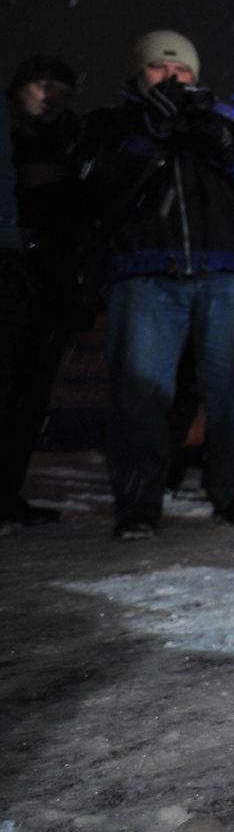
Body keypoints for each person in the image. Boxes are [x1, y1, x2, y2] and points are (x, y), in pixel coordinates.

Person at [78, 30, 234, 538]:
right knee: (140, 394)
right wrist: (149, 131)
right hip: (147, 271)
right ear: (138, 74)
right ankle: (137, 506)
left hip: (227, 273)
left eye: (182, 71)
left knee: (231, 391)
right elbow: (96, 185)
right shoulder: (112, 125)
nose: (172, 78)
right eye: (159, 69)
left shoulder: (225, 125)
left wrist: (223, 145)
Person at [1, 56, 85, 529]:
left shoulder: (72, 140)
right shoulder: (12, 137)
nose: (51, 95)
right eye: (42, 85)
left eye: (63, 88)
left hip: (51, 283)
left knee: (31, 398)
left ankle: (9, 492)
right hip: (13, 273)